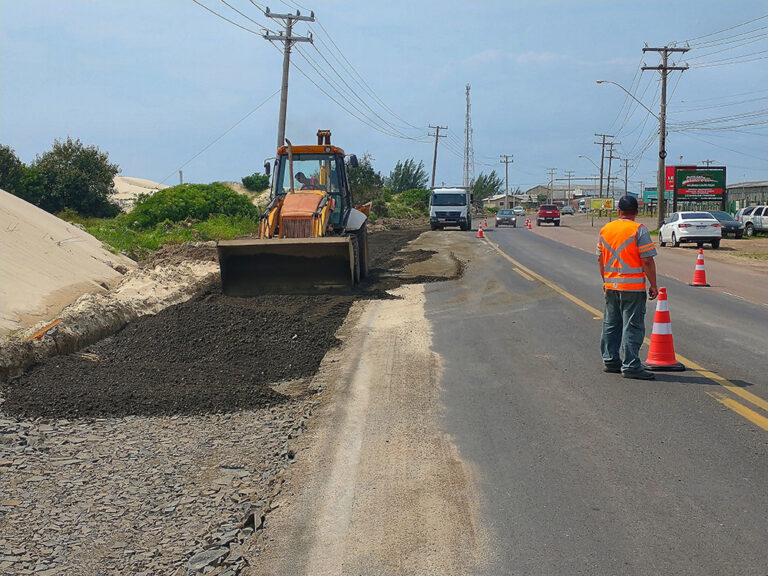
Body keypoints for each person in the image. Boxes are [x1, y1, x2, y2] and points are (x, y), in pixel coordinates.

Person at [597, 195, 659, 380]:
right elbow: (647, 260)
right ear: (636, 212)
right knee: (632, 326)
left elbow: (600, 259)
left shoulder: (606, 229)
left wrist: (605, 281)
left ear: (619, 212)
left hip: (611, 286)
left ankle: (610, 360)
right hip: (632, 289)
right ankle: (631, 365)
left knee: (611, 324)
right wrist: (653, 285)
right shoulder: (639, 230)